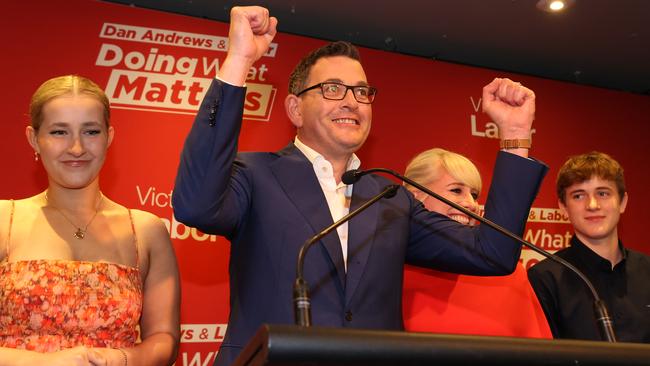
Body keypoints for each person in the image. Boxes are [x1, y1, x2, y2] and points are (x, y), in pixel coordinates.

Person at [172, 6, 547, 366]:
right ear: (295, 109)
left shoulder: (390, 198)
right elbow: (195, 206)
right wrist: (238, 60)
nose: (352, 102)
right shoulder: (254, 174)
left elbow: (492, 252)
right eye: (333, 89)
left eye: (362, 91)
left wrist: (515, 135)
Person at [0, 75, 181, 365]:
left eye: (91, 132)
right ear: (34, 139)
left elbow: (164, 339)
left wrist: (121, 359)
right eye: (59, 132)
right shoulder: (3, 221)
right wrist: (46, 363)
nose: (76, 148)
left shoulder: (145, 231)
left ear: (109, 137)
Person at [402, 148, 551, 338]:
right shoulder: (383, 270)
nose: (471, 204)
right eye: (456, 190)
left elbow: (537, 351)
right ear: (415, 198)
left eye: (474, 195)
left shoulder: (511, 276)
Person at [528, 151, 650, 342]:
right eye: (578, 196)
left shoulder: (647, 270)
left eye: (603, 193)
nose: (592, 205)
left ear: (622, 202)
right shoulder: (544, 278)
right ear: (563, 207)